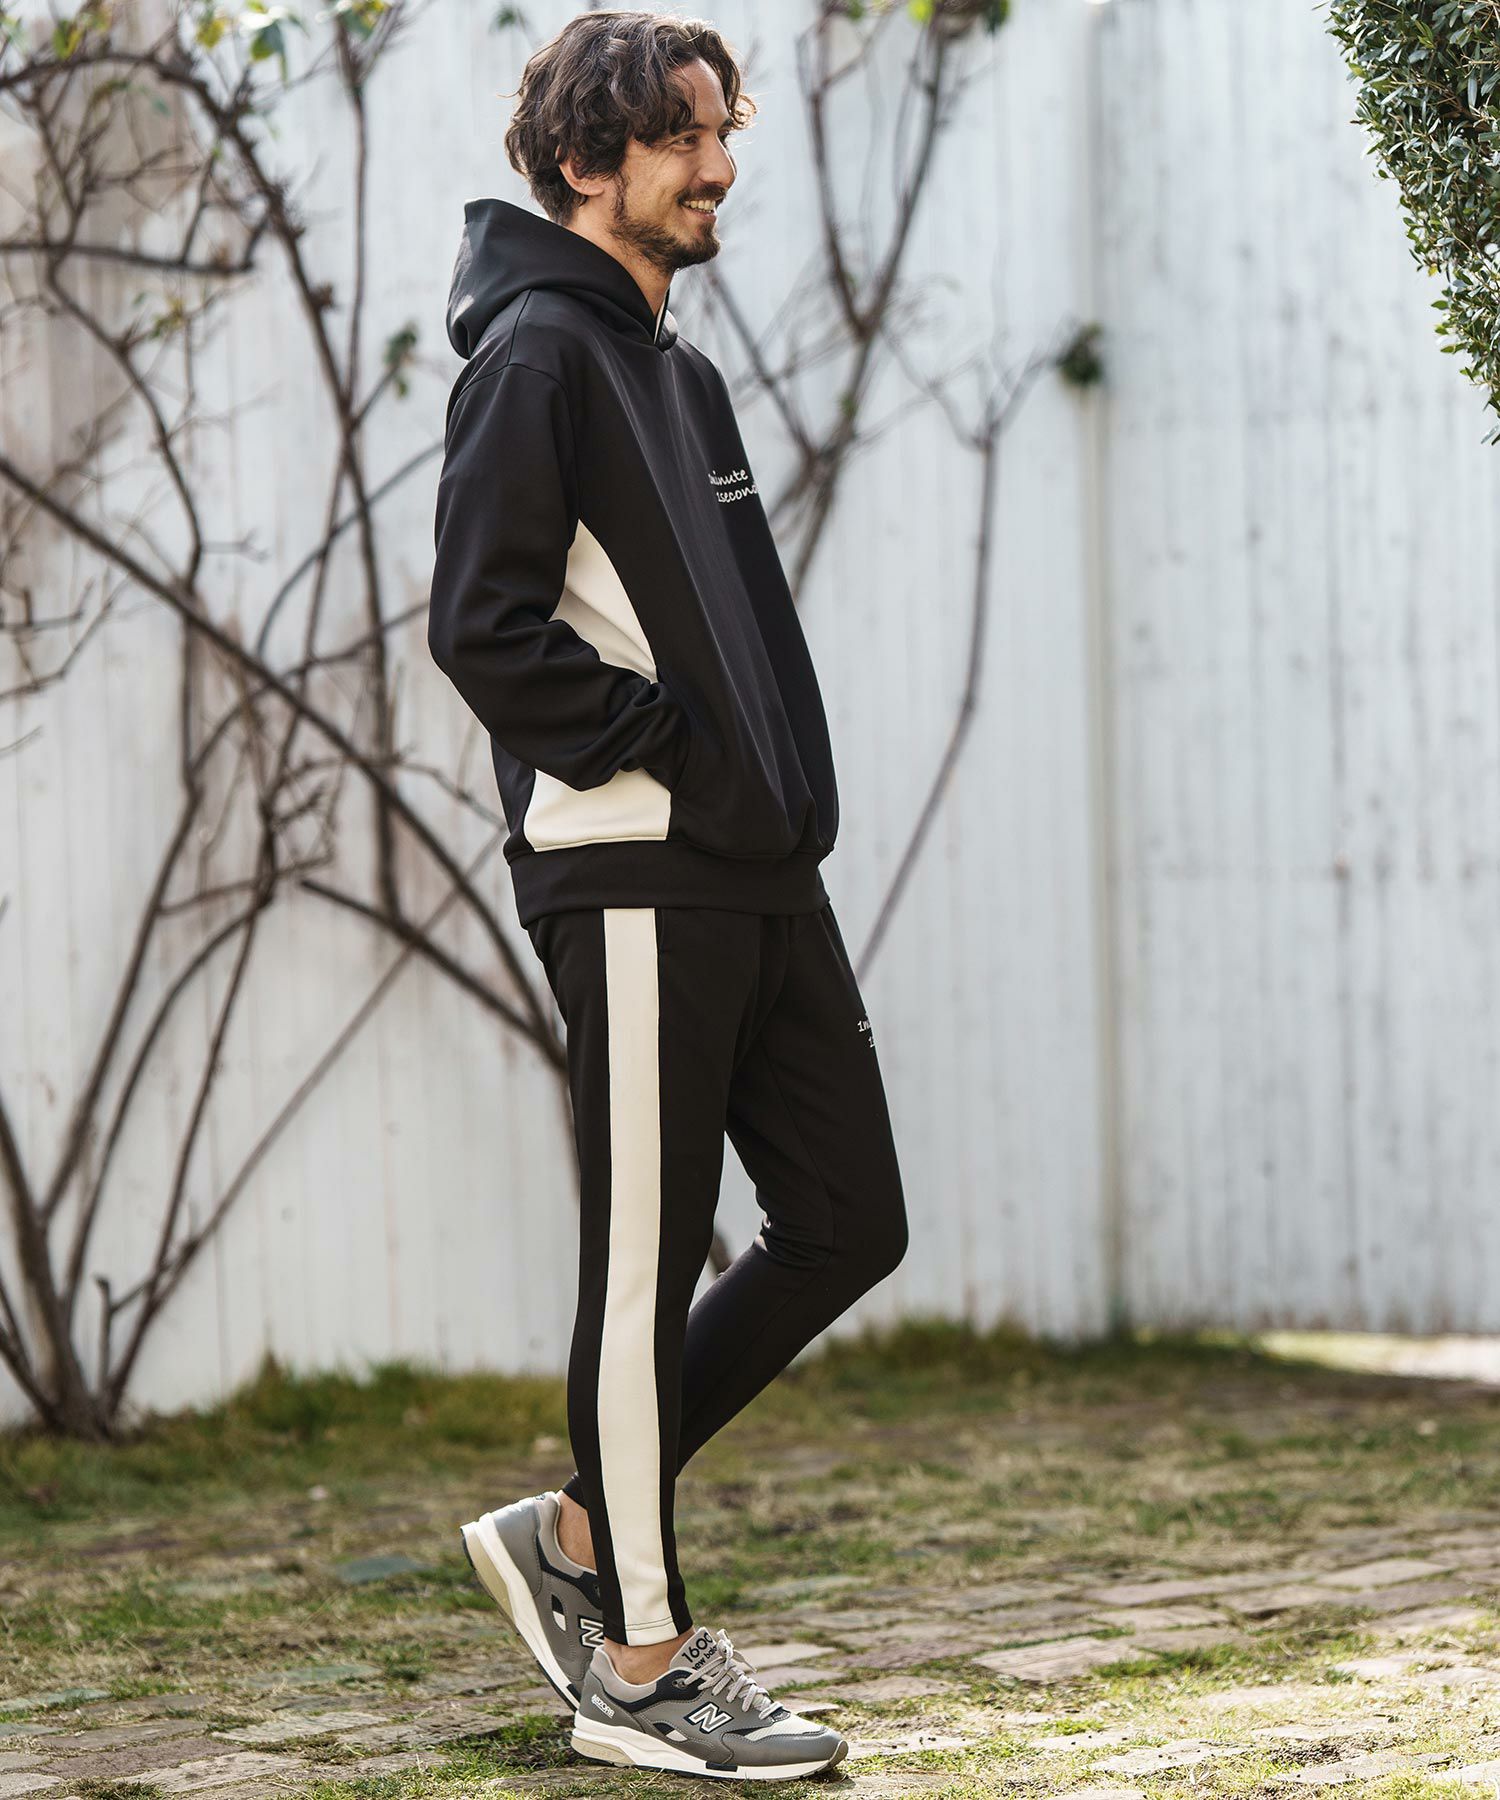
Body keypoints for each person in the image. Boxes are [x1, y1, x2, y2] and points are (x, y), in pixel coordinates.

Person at [428, 9, 908, 1781]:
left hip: (756, 873)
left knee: (850, 1219)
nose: (721, 164)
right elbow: (481, 628)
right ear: (586, 162)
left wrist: (770, 796)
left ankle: (573, 1527)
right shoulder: (537, 359)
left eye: (724, 129)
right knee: (641, 1265)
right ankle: (636, 1660)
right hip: (634, 873)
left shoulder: (674, 373)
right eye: (685, 137)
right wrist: (677, 762)